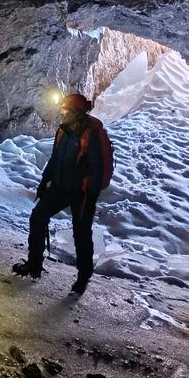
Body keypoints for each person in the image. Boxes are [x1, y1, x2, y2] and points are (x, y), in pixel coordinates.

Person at [12, 93, 114, 294]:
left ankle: (83, 278)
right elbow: (55, 158)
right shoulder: (63, 131)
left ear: (76, 113)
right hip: (60, 186)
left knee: (81, 233)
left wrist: (88, 195)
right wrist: (45, 181)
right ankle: (34, 264)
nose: (61, 113)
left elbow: (97, 168)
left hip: (81, 192)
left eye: (65, 111)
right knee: (37, 217)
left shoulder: (91, 134)